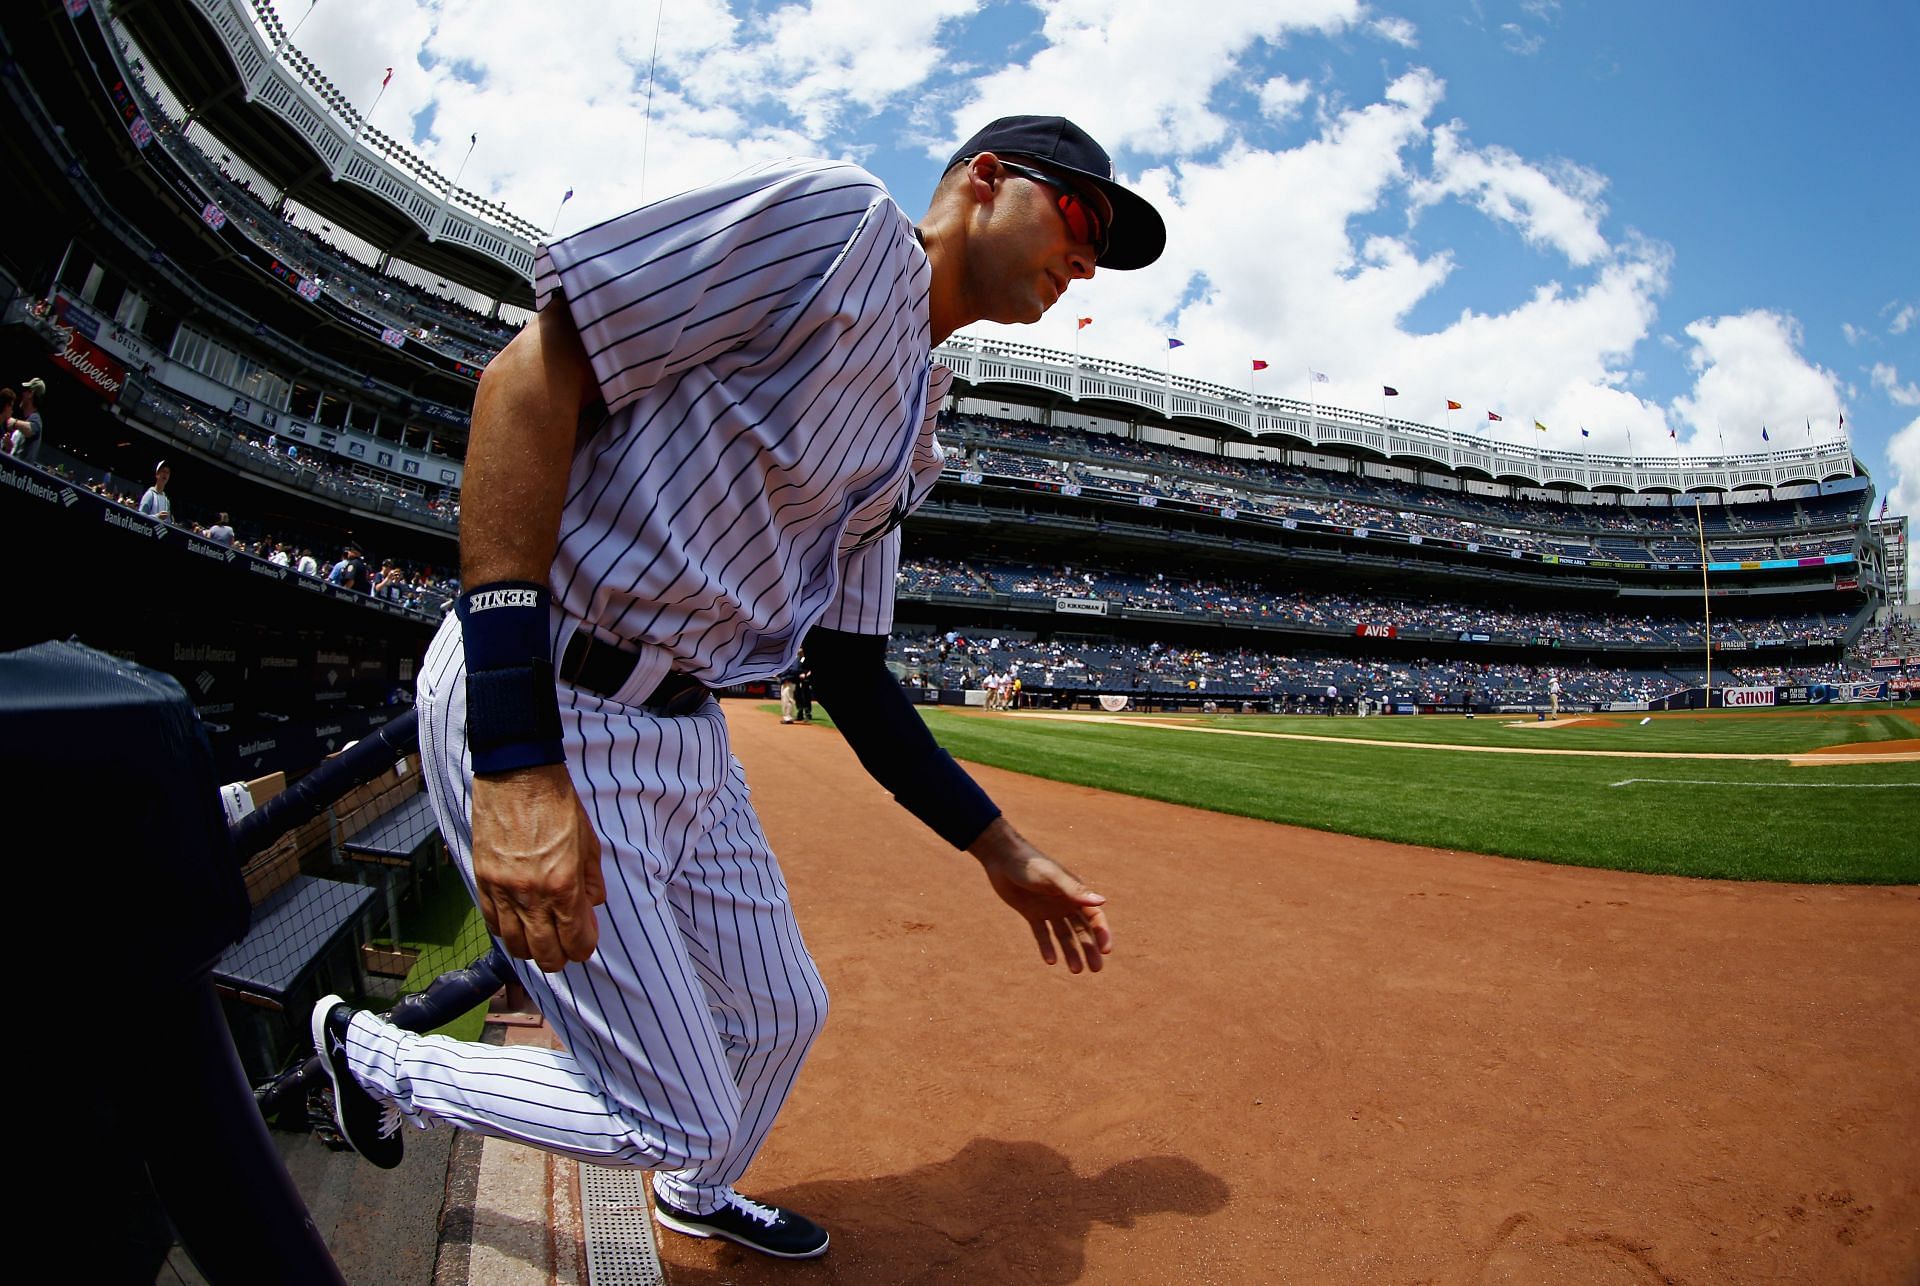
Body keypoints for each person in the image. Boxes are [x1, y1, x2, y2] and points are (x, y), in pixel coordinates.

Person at [312, 115, 1163, 1261]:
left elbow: (850, 670)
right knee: (676, 1107)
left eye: (1100, 246)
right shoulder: (845, 228)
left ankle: (694, 1191)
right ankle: (374, 1058)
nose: (1086, 256)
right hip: (556, 685)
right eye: (1079, 216)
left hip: (687, 729)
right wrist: (516, 759)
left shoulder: (915, 429)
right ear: (985, 180)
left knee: (781, 1014)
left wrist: (1000, 847)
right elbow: (531, 373)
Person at [13, 378, 45, 465]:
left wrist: (13, 422)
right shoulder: (29, 419)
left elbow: (32, 429)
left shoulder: (35, 418)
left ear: (31, 394)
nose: (23, 393)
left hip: (18, 474)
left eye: (25, 390)